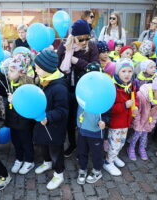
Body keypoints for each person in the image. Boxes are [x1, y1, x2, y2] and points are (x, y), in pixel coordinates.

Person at [57, 19, 98, 157]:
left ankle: (82, 147)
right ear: (73, 37)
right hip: (67, 88)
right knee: (69, 119)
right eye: (81, 39)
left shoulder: (92, 46)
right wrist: (68, 57)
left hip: (85, 88)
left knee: (82, 118)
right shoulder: (64, 47)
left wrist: (76, 61)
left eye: (87, 38)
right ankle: (72, 144)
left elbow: (95, 67)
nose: (84, 41)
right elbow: (58, 68)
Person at [33, 50, 69, 190]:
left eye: (38, 67)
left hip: (54, 128)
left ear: (47, 69)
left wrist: (49, 117)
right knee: (43, 145)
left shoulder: (59, 87)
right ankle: (47, 162)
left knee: (56, 151)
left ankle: (59, 173)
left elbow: (63, 111)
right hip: (42, 124)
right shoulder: (43, 80)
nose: (35, 69)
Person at [103, 58, 138, 176]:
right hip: (116, 123)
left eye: (129, 71)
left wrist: (136, 106)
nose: (127, 74)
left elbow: (135, 99)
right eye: (124, 71)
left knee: (121, 142)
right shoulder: (113, 87)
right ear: (117, 72)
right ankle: (108, 162)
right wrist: (124, 105)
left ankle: (114, 156)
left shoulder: (131, 85)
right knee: (114, 144)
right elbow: (110, 108)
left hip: (126, 121)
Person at [76, 62, 110, 185]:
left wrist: (104, 122)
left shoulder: (103, 94)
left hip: (96, 131)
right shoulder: (81, 91)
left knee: (96, 153)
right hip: (82, 129)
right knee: (82, 151)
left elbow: (107, 113)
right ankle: (83, 169)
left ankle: (97, 170)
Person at [4, 54, 36, 175]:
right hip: (13, 120)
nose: (9, 73)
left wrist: (15, 100)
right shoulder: (12, 82)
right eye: (9, 70)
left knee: (25, 140)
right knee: (16, 140)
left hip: (23, 121)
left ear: (21, 73)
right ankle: (19, 158)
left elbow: (28, 105)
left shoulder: (27, 86)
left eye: (12, 71)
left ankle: (29, 160)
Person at [128, 73, 157, 161]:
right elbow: (137, 111)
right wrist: (137, 124)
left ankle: (141, 148)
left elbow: (156, 115)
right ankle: (131, 147)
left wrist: (151, 124)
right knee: (137, 134)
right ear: (154, 89)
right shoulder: (141, 96)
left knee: (145, 135)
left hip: (147, 121)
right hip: (139, 120)